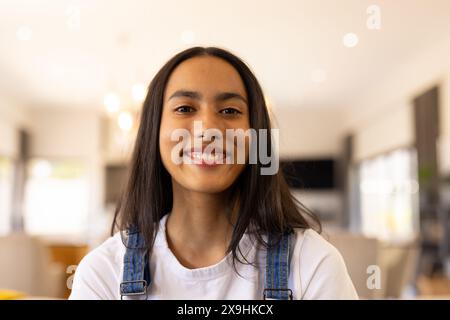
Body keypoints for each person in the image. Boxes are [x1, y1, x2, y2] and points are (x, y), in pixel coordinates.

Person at [69, 46, 358, 300]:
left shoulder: (312, 263)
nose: (207, 128)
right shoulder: (103, 272)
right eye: (184, 108)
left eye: (230, 111)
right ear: (153, 133)